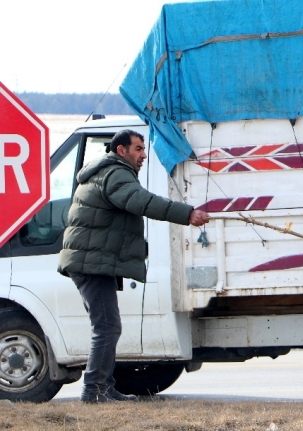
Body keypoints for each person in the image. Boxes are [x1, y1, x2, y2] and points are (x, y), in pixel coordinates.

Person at [57, 129, 209, 403]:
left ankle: (105, 386)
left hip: (92, 261)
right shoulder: (116, 174)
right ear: (121, 151)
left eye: (143, 149)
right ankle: (94, 391)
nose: (143, 155)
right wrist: (187, 214)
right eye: (138, 149)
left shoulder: (105, 172)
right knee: (107, 327)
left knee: (107, 326)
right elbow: (142, 202)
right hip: (91, 263)